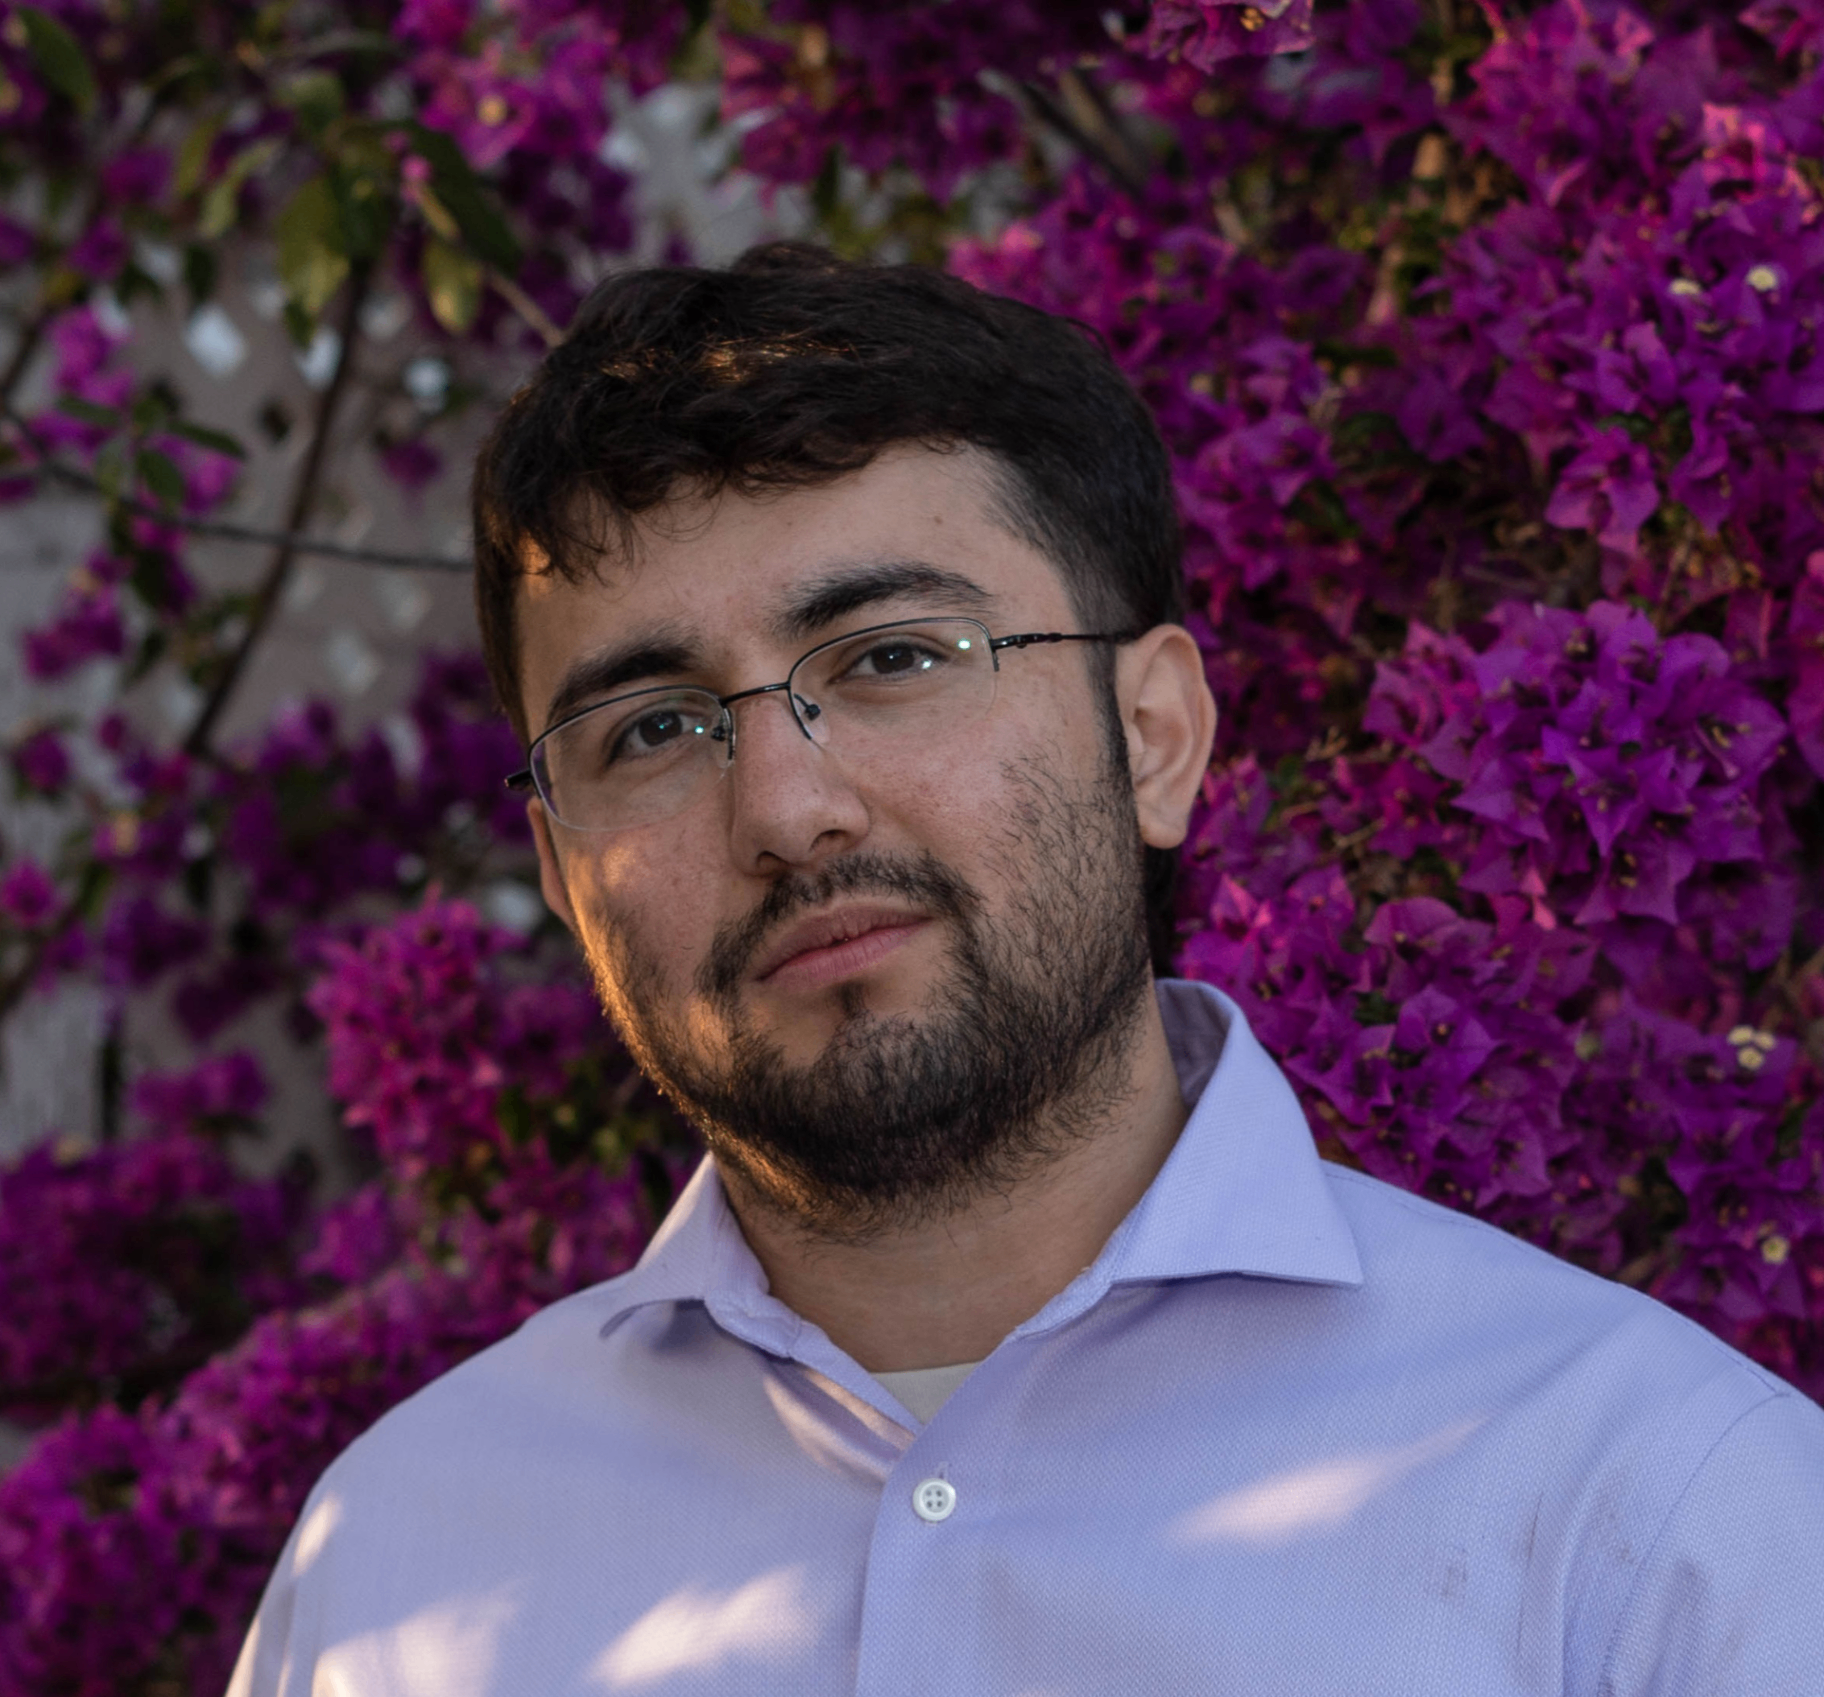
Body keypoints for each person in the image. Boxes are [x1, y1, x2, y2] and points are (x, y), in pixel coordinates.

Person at [230, 244, 1824, 1697]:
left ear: (1155, 737)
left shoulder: (1655, 1519)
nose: (786, 809)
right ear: (560, 871)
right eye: (651, 729)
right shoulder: (396, 1577)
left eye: (894, 658)